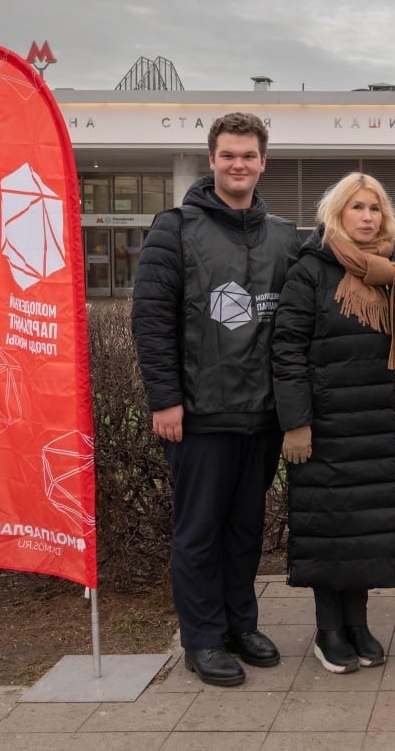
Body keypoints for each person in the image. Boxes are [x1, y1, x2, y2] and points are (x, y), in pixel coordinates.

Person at [131, 112, 300, 687]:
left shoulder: (284, 235)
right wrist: (164, 399)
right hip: (199, 415)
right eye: (228, 154)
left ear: (262, 162)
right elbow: (151, 321)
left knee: (245, 530)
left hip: (263, 414)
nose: (238, 165)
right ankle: (202, 637)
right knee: (199, 531)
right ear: (212, 160)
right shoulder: (174, 228)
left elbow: (298, 321)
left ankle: (238, 624)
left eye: (248, 155)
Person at [271, 172, 395, 674]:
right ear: (336, 214)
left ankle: (357, 625)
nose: (366, 216)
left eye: (374, 208)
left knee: (362, 529)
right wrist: (296, 422)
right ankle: (328, 630)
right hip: (326, 427)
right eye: (356, 207)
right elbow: (287, 350)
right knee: (329, 528)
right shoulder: (309, 271)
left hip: (377, 423)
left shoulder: (390, 275)